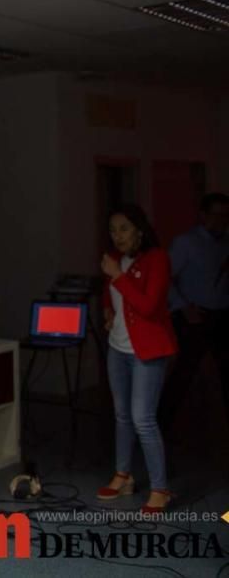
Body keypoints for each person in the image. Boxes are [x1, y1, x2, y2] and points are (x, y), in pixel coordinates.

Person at [96, 203, 177, 514]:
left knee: (143, 418)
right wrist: (107, 312)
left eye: (124, 229)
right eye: (113, 230)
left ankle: (160, 489)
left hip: (147, 351)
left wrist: (118, 276)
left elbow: (149, 306)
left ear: (140, 230)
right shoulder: (114, 260)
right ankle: (123, 474)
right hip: (118, 349)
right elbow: (109, 295)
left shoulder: (157, 259)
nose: (117, 236)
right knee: (122, 415)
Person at [158, 192, 229, 433]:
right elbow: (164, 278)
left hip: (222, 314)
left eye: (225, 215)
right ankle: (160, 426)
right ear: (203, 215)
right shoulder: (186, 242)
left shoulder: (225, 242)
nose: (221, 220)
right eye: (216, 214)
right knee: (184, 372)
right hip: (195, 315)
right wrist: (183, 306)